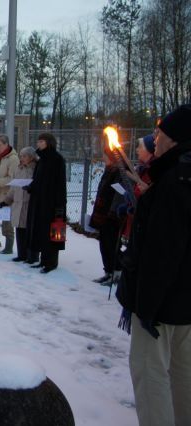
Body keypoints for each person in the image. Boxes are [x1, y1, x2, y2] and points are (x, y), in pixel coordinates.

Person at [116, 104, 191, 426]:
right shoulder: (177, 178)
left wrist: (145, 307)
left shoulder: (174, 182)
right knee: (182, 373)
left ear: (175, 139)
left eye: (160, 133)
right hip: (184, 302)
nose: (154, 138)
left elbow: (163, 251)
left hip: (160, 305)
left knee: (151, 375)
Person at [24, 132, 66, 273]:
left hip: (51, 202)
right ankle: (43, 260)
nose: (39, 144)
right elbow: (38, 180)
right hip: (39, 201)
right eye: (38, 141)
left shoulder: (56, 159)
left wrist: (59, 204)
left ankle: (51, 263)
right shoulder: (41, 159)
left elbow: (59, 183)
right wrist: (31, 187)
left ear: (49, 142)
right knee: (41, 231)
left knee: (51, 232)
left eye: (41, 142)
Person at [89, 147, 126, 285]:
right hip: (103, 212)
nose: (103, 158)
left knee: (112, 244)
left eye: (105, 156)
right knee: (104, 243)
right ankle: (108, 271)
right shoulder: (108, 170)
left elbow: (119, 194)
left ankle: (117, 271)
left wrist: (113, 211)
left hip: (112, 214)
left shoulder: (120, 171)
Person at [0, 146, 37, 262]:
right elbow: (13, 187)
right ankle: (22, 254)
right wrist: (6, 200)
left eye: (24, 156)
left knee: (30, 231)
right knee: (20, 230)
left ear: (31, 157)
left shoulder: (35, 168)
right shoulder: (18, 169)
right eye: (21, 156)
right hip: (18, 204)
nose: (21, 158)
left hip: (29, 203)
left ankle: (33, 255)